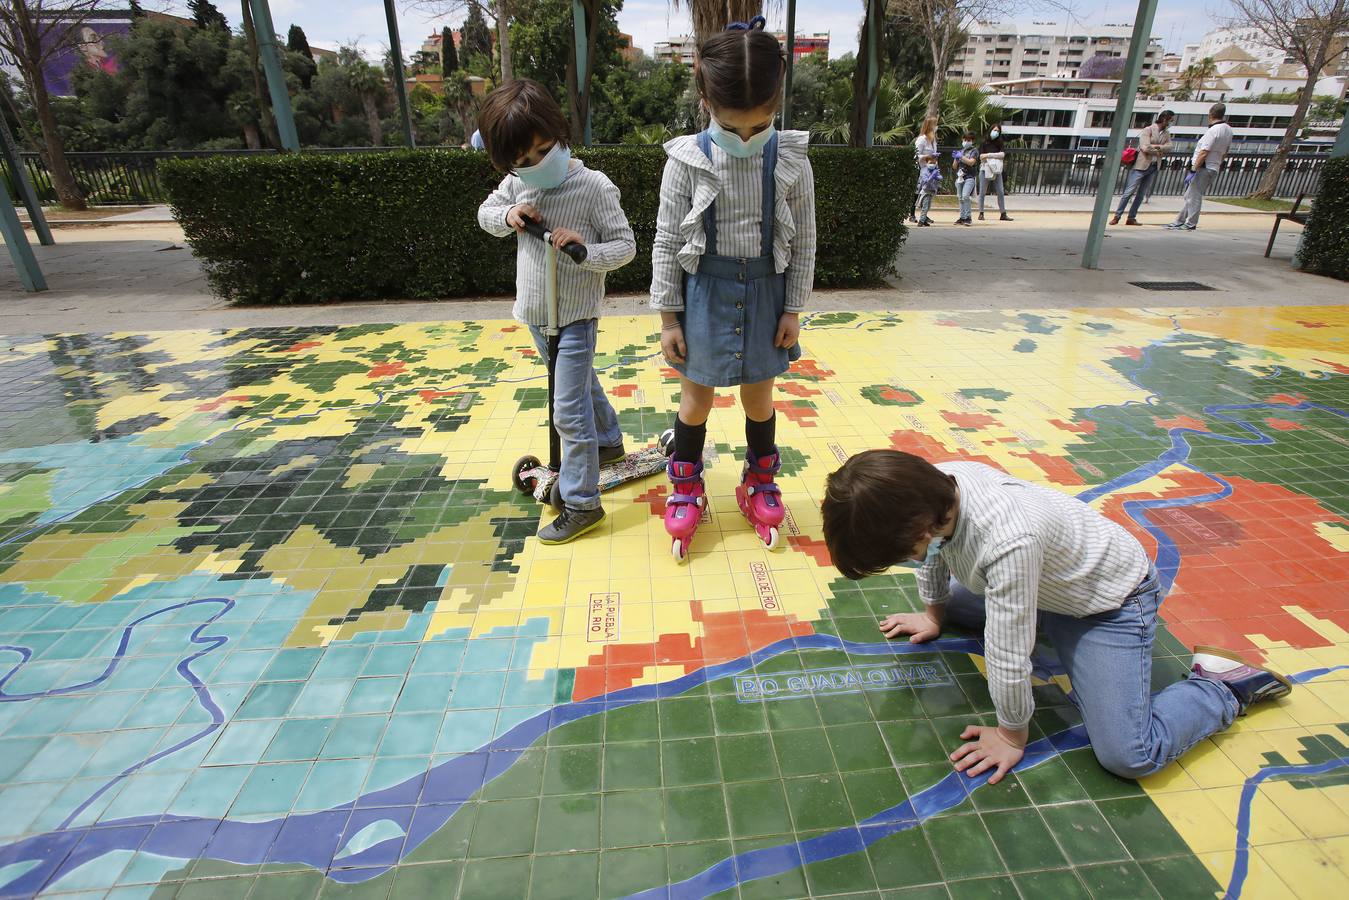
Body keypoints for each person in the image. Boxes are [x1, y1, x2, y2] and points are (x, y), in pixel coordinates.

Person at [821, 450, 1293, 783]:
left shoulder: (1006, 542)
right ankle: (1019, 614)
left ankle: (1220, 686)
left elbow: (1008, 653)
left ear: (922, 529)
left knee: (1130, 755)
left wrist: (1011, 734)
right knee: (962, 604)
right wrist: (933, 615)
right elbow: (934, 560)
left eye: (904, 552)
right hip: (1047, 584)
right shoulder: (933, 486)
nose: (910, 560)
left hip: (1109, 604)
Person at [650, 17, 817, 562]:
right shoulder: (687, 159)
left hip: (767, 293)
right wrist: (668, 319)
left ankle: (759, 481)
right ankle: (686, 485)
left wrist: (794, 307)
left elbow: (806, 239)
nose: (747, 137)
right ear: (705, 97)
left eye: (761, 123)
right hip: (705, 292)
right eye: (732, 125)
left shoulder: (790, 157)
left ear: (778, 99)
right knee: (696, 399)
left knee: (760, 396)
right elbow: (665, 240)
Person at [477, 79, 636, 544]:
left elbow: (625, 246)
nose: (535, 165)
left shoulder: (593, 187)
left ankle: (583, 503)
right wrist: (508, 218)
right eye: (522, 161)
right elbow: (485, 214)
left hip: (575, 316)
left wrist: (587, 251)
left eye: (544, 150)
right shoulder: (514, 185)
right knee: (580, 383)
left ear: (561, 134)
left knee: (567, 409)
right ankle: (608, 443)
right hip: (534, 313)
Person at [1168, 103, 1233, 231]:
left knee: (1194, 196)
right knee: (1190, 195)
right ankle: (1179, 221)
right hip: (1214, 166)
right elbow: (1226, 151)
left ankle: (1190, 223)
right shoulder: (1228, 130)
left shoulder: (1213, 130)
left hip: (1204, 167)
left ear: (1211, 114)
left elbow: (1204, 151)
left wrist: (1194, 169)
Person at [1112, 110, 1173, 226]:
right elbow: (1145, 148)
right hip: (1141, 166)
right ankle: (1117, 216)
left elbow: (1170, 147)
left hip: (1154, 167)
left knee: (1141, 194)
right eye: (1171, 120)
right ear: (1165, 119)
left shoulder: (1166, 133)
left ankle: (1131, 217)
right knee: (1128, 192)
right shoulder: (1148, 129)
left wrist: (1155, 147)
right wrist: (1160, 150)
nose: (1171, 122)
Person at [977, 124, 1012, 222]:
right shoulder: (984, 142)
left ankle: (1003, 213)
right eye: (994, 130)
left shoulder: (1000, 142)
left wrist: (989, 155)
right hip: (985, 169)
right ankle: (981, 212)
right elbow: (981, 156)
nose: (995, 132)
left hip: (997, 169)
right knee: (982, 192)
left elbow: (1002, 154)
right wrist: (992, 156)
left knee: (1000, 191)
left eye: (997, 131)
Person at [910, 116, 939, 225]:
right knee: (918, 191)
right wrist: (927, 156)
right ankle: (912, 213)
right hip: (921, 168)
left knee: (928, 193)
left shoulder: (933, 140)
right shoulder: (922, 139)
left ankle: (924, 214)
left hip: (931, 168)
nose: (936, 127)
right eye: (934, 125)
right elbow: (915, 155)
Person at [952, 131, 979, 226]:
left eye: (969, 140)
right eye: (965, 140)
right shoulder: (961, 151)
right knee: (960, 197)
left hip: (969, 177)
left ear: (972, 141)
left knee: (965, 196)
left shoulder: (974, 151)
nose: (966, 142)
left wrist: (961, 157)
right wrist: (956, 158)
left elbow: (971, 162)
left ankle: (968, 217)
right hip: (960, 177)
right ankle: (962, 217)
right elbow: (954, 166)